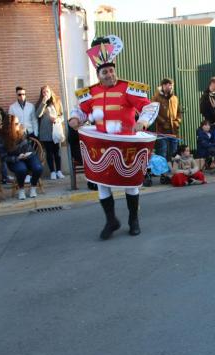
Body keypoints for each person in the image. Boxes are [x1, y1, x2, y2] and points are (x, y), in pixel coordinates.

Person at [68, 35, 159, 240]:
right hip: (101, 144)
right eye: (105, 72)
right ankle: (111, 221)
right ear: (98, 74)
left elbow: (149, 106)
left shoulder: (128, 88)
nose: (109, 74)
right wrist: (74, 119)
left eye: (111, 70)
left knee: (131, 183)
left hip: (127, 144)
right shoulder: (90, 93)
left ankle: (133, 219)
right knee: (102, 183)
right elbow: (80, 112)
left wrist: (142, 121)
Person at [4, 115, 43, 200]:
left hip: (28, 156)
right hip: (15, 160)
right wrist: (17, 158)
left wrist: (27, 154)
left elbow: (29, 148)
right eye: (17, 123)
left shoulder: (23, 132)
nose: (19, 124)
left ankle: (33, 187)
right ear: (10, 126)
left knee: (38, 168)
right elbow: (3, 157)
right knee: (22, 169)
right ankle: (21, 189)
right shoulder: (3, 139)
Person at [36, 85, 64, 180]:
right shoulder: (40, 103)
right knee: (49, 153)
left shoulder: (57, 102)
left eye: (47, 91)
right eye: (43, 92)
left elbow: (62, 115)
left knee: (57, 152)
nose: (45, 93)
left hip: (56, 131)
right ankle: (52, 171)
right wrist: (43, 102)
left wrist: (57, 119)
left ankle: (59, 171)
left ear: (50, 92)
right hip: (46, 132)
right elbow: (38, 115)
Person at [152, 78, 182, 163]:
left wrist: (178, 121)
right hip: (162, 129)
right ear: (163, 86)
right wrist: (163, 122)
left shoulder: (175, 98)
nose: (171, 87)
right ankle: (162, 172)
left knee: (174, 151)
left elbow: (179, 111)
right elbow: (153, 112)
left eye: (172, 85)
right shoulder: (156, 98)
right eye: (169, 85)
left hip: (174, 129)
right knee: (162, 151)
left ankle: (174, 170)